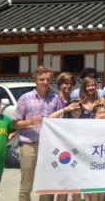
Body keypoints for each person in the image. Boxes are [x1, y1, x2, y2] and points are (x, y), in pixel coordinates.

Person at [12, 66, 63, 201]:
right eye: (41, 79)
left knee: (47, 184)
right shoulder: (25, 98)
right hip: (30, 144)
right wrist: (29, 122)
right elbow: (15, 123)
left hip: (48, 147)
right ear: (35, 80)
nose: (45, 82)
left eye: (47, 79)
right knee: (26, 184)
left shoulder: (55, 99)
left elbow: (60, 122)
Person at [49, 100, 84, 201]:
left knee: (77, 189)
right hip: (65, 159)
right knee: (63, 188)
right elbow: (50, 118)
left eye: (78, 109)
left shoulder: (86, 123)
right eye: (74, 109)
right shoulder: (63, 122)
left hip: (79, 159)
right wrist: (65, 109)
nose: (76, 112)